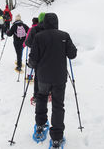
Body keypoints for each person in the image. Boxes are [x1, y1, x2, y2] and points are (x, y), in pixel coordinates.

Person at [28, 13, 77, 149]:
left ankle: (40, 125)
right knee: (58, 105)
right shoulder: (64, 36)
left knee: (42, 98)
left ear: (44, 23)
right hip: (59, 78)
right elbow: (72, 54)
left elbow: (33, 59)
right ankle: (57, 137)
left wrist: (31, 64)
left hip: (43, 77)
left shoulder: (38, 37)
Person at [25, 12, 46, 105]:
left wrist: (35, 47)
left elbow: (27, 42)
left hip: (37, 56)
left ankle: (36, 96)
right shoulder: (51, 28)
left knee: (38, 76)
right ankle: (49, 93)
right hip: (48, 56)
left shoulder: (34, 29)